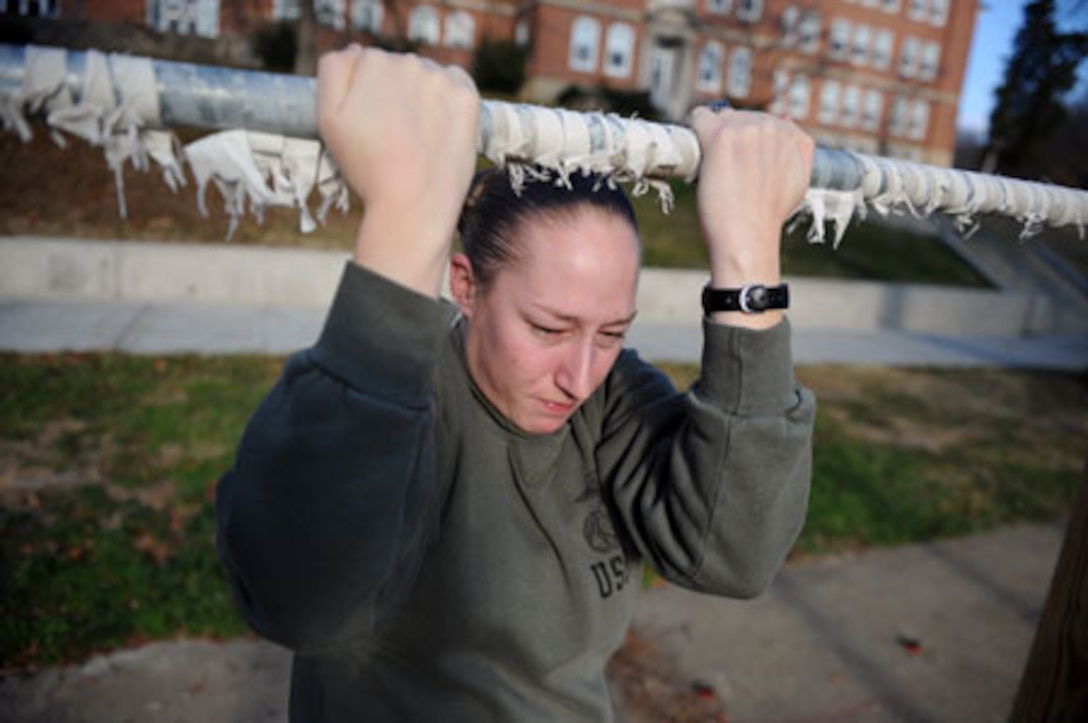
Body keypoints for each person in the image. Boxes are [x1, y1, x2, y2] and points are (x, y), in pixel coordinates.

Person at [215, 44, 817, 722]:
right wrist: (404, 226)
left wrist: (747, 257)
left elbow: (733, 551)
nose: (581, 375)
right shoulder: (397, 400)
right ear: (466, 285)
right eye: (549, 328)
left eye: (612, 331)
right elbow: (300, 601)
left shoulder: (611, 395)